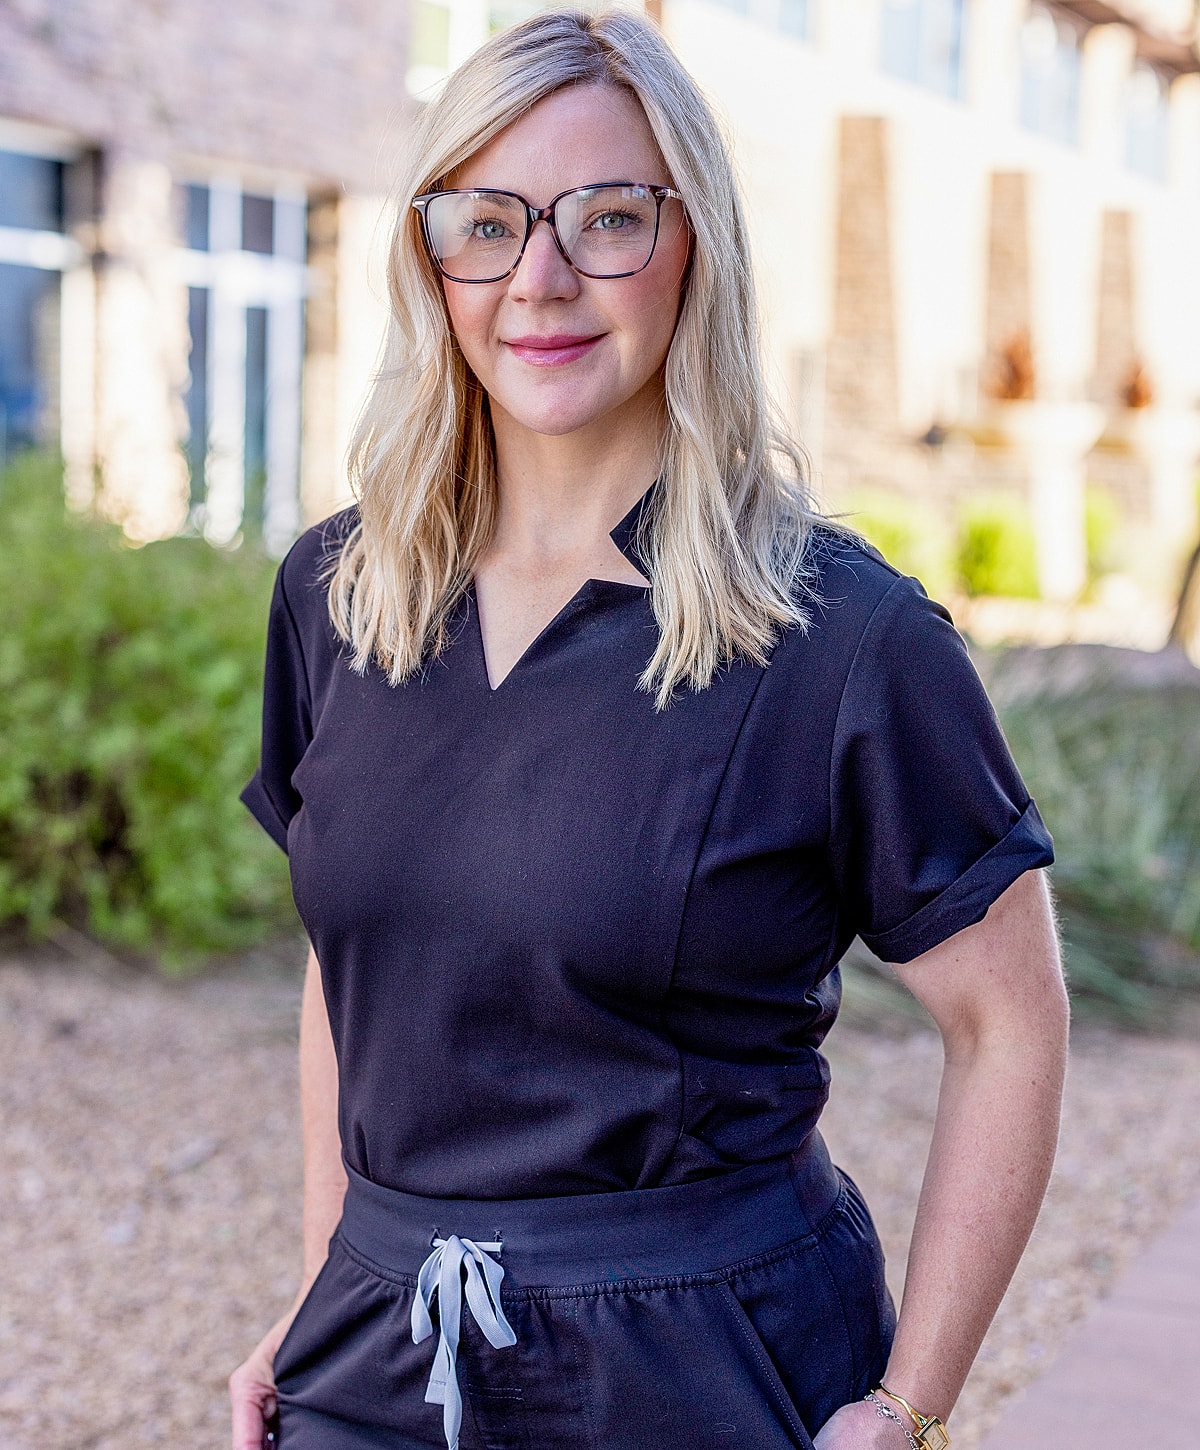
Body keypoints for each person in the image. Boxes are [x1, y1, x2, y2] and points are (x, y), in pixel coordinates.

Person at [230, 10, 1068, 1450]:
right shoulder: (340, 592)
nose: (540, 279)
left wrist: (907, 1406)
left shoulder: (842, 639)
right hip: (380, 1358)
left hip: (700, 1368)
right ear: (428, 258)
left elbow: (1009, 1018)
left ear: (696, 245)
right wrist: (326, 1276)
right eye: (485, 222)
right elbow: (356, 973)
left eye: (608, 217)